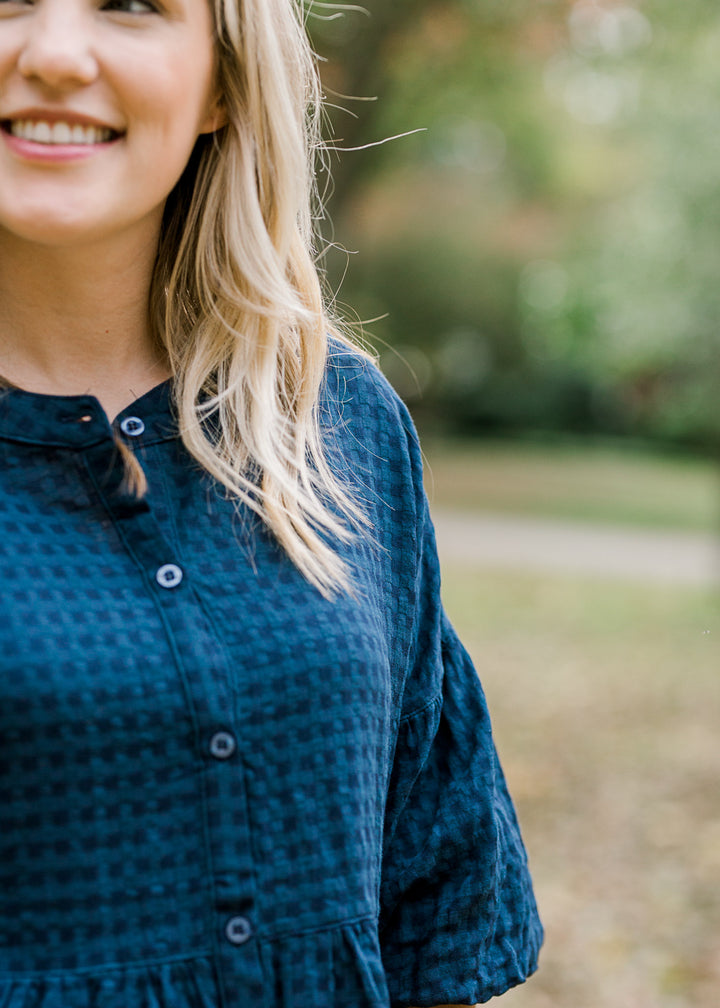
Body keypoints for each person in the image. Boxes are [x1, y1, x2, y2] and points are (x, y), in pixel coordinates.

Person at [0, 0, 543, 1005]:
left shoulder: (338, 421)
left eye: (128, 5)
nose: (55, 53)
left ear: (220, 82)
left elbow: (435, 888)